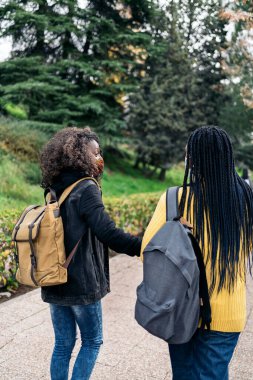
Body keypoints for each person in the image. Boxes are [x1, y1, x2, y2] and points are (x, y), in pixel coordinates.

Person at [141, 126, 253, 380]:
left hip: (181, 309)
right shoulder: (246, 201)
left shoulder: (175, 199)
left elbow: (147, 251)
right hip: (227, 312)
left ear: (192, 160)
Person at [39, 127, 141, 380]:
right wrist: (143, 245)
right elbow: (107, 232)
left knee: (63, 345)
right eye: (95, 152)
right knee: (92, 341)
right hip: (81, 282)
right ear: (80, 155)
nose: (99, 157)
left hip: (54, 276)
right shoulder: (86, 188)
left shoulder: (55, 187)